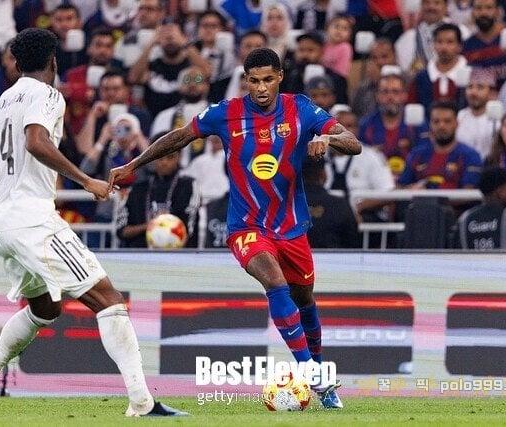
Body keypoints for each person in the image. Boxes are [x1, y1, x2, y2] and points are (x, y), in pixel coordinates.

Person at [109, 47, 362, 408]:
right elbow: (180, 136)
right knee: (274, 281)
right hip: (246, 226)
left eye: (268, 80)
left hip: (291, 227)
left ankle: (321, 377)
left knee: (305, 299)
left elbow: (354, 143)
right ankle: (310, 371)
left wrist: (328, 139)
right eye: (254, 81)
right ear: (245, 81)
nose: (261, 88)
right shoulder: (226, 113)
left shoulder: (301, 108)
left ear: (279, 78)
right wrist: (132, 165)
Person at [0, 28, 186, 417]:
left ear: (16, 62)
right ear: (53, 60)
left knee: (45, 309)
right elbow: (36, 141)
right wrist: (86, 181)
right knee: (109, 300)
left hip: (2, 223)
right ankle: (141, 402)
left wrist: (10, 194)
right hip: (33, 221)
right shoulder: (48, 95)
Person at [116, 147, 200, 248]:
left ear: (179, 157)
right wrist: (149, 226)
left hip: (178, 253)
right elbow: (121, 230)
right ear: (152, 158)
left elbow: (190, 230)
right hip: (141, 252)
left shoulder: (188, 185)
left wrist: (165, 225)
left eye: (170, 157)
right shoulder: (138, 188)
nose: (164, 162)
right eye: (160, 158)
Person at [399, 101, 482, 189]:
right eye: (436, 121)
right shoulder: (416, 154)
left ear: (456, 124)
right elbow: (401, 187)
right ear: (430, 124)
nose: (441, 126)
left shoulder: (470, 156)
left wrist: (429, 189)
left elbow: (469, 191)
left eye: (447, 121)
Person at [408, 23, 469, 114]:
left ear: (459, 46)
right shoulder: (421, 78)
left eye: (450, 42)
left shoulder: (471, 75)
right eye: (439, 42)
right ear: (433, 45)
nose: (444, 47)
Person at [302, 157, 359, 248]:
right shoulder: (339, 205)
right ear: (323, 174)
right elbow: (352, 241)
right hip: (334, 255)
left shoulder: (286, 205)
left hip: (294, 256)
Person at [456, 68, 496, 158]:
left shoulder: (497, 118)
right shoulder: (460, 116)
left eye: (480, 87)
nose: (473, 92)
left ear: (491, 92)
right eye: (470, 87)